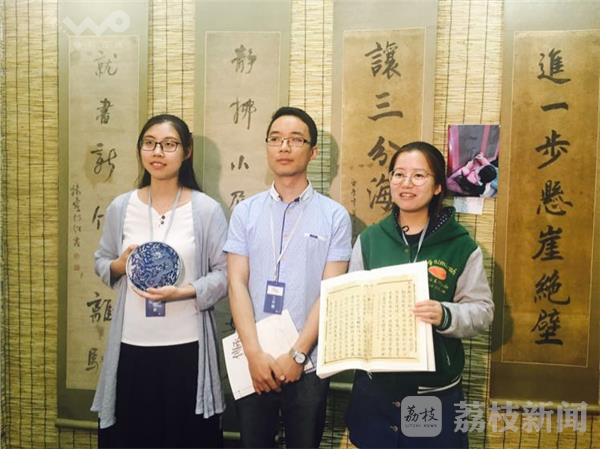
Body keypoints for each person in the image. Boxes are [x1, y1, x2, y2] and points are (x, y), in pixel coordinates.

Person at [345, 141, 494, 448]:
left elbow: (483, 310)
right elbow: (352, 304)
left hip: (430, 393)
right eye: (399, 174)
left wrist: (445, 314)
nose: (406, 183)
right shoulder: (370, 240)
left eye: (418, 176)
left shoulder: (461, 246)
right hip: (375, 391)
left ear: (438, 186)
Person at [92, 114, 227, 448]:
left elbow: (225, 275)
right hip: (131, 346)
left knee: (187, 438)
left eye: (169, 145)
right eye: (149, 143)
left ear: (187, 151)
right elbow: (101, 260)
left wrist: (184, 292)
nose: (157, 152)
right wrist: (120, 265)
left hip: (188, 349)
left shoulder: (206, 210)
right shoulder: (121, 207)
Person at [224, 106, 352, 448]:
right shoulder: (245, 212)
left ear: (313, 152)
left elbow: (331, 291)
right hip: (255, 357)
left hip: (307, 362)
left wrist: (297, 354)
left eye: (295, 140)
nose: (284, 147)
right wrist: (253, 353)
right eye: (275, 139)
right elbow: (236, 283)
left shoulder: (334, 216)